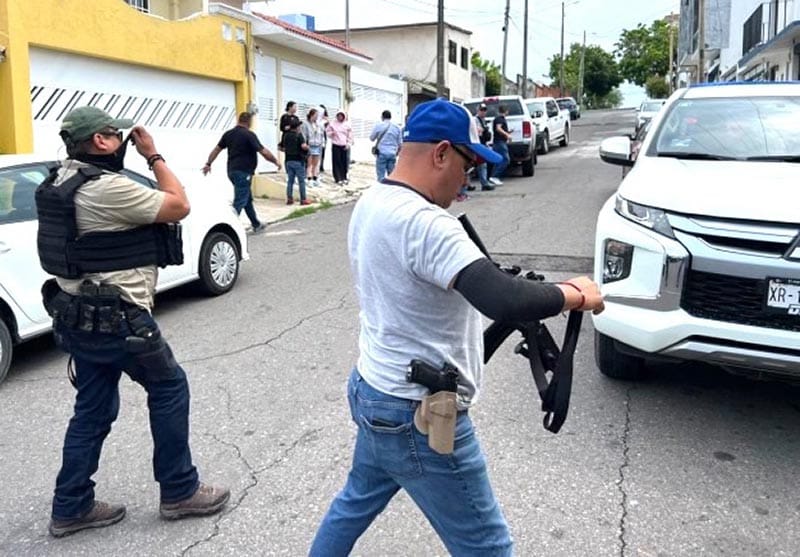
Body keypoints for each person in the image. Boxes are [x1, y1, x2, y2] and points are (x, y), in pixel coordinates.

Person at [308, 98, 604, 556]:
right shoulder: (427, 225)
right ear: (442, 153)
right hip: (418, 413)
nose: (467, 179)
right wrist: (574, 293)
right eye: (467, 165)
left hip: (374, 391)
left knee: (353, 502)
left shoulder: (373, 200)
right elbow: (502, 298)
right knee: (488, 546)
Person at [37, 106, 230, 538]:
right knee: (169, 387)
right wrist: (153, 155)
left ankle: (71, 505)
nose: (122, 142)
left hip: (78, 315)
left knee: (92, 410)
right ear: (100, 141)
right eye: (116, 135)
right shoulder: (106, 188)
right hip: (121, 318)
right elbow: (178, 204)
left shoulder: (58, 181)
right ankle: (180, 490)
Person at [202, 112, 280, 233]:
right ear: (249, 122)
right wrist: (275, 161)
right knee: (239, 201)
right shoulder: (249, 135)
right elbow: (264, 152)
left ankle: (256, 223)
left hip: (232, 171)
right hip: (244, 172)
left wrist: (208, 163)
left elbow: (217, 149)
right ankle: (227, 229)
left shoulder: (228, 134)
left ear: (239, 120)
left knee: (246, 199)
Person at [284, 118, 312, 206]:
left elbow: (282, 147)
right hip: (298, 160)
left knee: (290, 181)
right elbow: (303, 146)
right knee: (301, 181)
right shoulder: (299, 135)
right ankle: (303, 199)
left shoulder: (286, 135)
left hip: (288, 160)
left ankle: (289, 198)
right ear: (297, 127)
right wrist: (308, 148)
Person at [369, 109, 402, 182]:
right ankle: (391, 187)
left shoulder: (378, 126)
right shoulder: (397, 127)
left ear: (382, 117)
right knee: (392, 175)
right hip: (392, 153)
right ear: (390, 117)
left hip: (381, 153)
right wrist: (397, 152)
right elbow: (400, 143)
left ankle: (381, 187)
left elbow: (371, 138)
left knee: (381, 175)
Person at [326, 110, 353, 185]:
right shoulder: (332, 123)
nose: (340, 117)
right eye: (338, 116)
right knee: (336, 162)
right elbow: (327, 132)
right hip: (336, 144)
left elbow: (350, 135)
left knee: (344, 162)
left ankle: (344, 177)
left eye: (341, 116)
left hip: (344, 145)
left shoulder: (347, 124)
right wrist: (332, 133)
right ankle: (338, 178)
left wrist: (348, 143)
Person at [473, 103, 495, 191]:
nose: (483, 112)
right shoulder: (475, 120)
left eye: (484, 110)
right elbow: (478, 131)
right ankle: (484, 183)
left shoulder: (483, 120)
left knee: (483, 164)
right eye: (481, 110)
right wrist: (483, 130)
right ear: (477, 110)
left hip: (483, 144)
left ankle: (485, 182)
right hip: (477, 144)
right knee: (480, 165)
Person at [302, 108, 325, 186]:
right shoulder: (305, 124)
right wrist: (305, 143)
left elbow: (321, 134)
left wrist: (321, 143)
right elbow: (304, 134)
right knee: (309, 164)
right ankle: (309, 178)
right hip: (310, 145)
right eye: (315, 115)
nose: (317, 117)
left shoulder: (318, 125)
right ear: (311, 115)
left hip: (317, 145)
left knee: (316, 163)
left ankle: (315, 178)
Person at [490, 104, 512, 185]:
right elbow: (498, 128)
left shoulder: (499, 119)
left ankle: (493, 177)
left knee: (498, 160)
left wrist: (508, 132)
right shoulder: (500, 119)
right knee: (505, 160)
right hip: (500, 142)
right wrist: (507, 135)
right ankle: (495, 176)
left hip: (498, 142)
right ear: (506, 111)